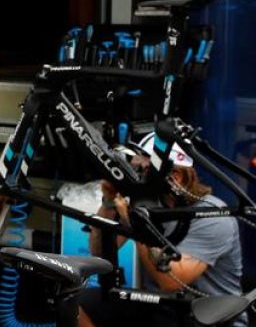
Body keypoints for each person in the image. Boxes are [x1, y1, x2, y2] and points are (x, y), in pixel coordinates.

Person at [79, 133, 245, 327]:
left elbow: (172, 281)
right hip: (160, 308)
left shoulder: (213, 216)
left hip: (208, 317)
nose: (138, 177)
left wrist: (134, 221)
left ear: (175, 176)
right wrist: (108, 201)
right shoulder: (150, 205)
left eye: (145, 170)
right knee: (76, 302)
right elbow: (99, 251)